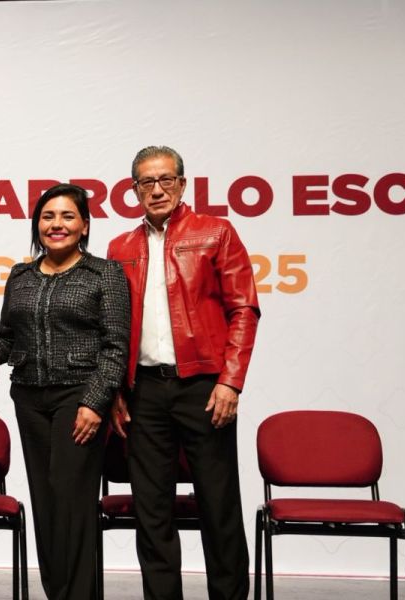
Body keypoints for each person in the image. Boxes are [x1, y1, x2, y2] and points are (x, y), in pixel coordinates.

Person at [107, 146, 259, 600]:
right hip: (144, 393)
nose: (157, 190)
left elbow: (244, 309)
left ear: (183, 184)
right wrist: (116, 389)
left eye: (166, 180)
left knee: (219, 508)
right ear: (134, 191)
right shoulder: (120, 247)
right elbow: (113, 326)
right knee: (151, 514)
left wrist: (230, 380)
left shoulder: (217, 232)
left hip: (204, 388)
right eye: (146, 183)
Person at [0, 183, 130, 600]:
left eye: (67, 216)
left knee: (72, 503)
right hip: (29, 398)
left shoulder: (105, 273)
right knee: (46, 504)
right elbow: (5, 340)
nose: (57, 225)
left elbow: (116, 345)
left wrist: (95, 402)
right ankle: (56, 592)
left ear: (84, 225)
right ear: (37, 225)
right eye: (48, 217)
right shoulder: (22, 275)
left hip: (79, 398)